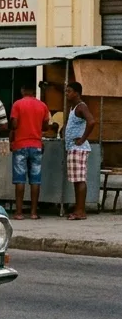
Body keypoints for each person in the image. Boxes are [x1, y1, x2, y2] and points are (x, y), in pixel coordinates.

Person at [9, 83, 54, 220]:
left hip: (20, 145)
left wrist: (13, 137)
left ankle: (19, 212)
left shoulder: (17, 104)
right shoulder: (42, 106)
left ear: (23, 90)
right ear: (34, 91)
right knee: (35, 180)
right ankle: (34, 212)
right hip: (36, 145)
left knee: (20, 179)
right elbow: (46, 126)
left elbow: (14, 124)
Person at [64, 81, 97, 220]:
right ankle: (78, 209)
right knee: (76, 181)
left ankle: (81, 211)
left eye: (69, 91)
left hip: (78, 148)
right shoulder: (73, 108)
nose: (67, 94)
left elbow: (92, 121)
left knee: (80, 180)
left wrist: (82, 139)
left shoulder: (81, 107)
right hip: (73, 148)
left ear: (76, 93)